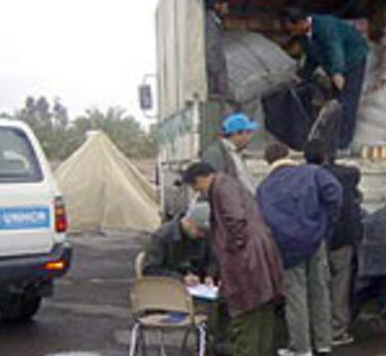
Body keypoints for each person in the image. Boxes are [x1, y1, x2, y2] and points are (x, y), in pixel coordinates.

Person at [182, 162, 285, 356]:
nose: (196, 191)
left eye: (195, 185)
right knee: (261, 314)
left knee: (247, 314)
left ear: (201, 178)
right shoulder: (228, 185)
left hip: (246, 259)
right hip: (257, 255)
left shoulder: (222, 188)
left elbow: (235, 220)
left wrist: (231, 251)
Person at [257, 142, 342, 356]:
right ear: (288, 155)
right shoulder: (313, 173)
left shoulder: (264, 187)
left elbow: (262, 221)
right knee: (319, 292)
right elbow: (334, 193)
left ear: (268, 162)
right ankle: (323, 342)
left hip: (286, 247)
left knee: (295, 297)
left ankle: (301, 347)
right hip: (314, 240)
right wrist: (324, 225)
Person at [303, 139, 363, 347]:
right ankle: (336, 330)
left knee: (315, 286)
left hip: (313, 239)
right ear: (326, 157)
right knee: (340, 285)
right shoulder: (345, 175)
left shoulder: (303, 177)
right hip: (341, 238)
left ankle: (315, 330)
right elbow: (354, 172)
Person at [281, 8, 368, 151]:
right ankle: (333, 137)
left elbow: (335, 49)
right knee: (335, 101)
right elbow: (312, 58)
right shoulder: (303, 37)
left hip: (353, 60)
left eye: (292, 29)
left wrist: (337, 73)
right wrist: (303, 76)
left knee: (347, 100)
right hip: (335, 63)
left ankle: (343, 143)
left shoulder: (325, 26)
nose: (291, 34)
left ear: (302, 23)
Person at [142, 202, 213, 283]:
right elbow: (150, 270)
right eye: (200, 230)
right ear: (188, 221)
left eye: (205, 232)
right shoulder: (162, 237)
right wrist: (180, 279)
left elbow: (211, 259)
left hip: (195, 286)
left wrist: (209, 275)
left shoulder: (202, 237)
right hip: (168, 286)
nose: (202, 235)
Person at [202, 113, 258, 194]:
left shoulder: (236, 153)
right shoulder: (215, 153)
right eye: (248, 132)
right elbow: (214, 185)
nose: (250, 137)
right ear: (237, 134)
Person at [205, 0, 231, 100]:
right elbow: (210, 49)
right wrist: (217, 74)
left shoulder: (213, 22)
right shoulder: (210, 23)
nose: (227, 10)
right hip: (213, 83)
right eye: (225, 6)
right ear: (216, 5)